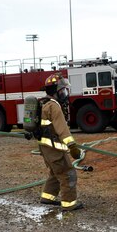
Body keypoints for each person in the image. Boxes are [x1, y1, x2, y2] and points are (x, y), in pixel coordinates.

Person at [37, 73, 83, 211]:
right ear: (56, 92)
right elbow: (62, 128)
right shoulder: (54, 106)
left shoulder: (42, 103)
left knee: (55, 172)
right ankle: (69, 203)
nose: (64, 93)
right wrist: (72, 146)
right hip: (54, 147)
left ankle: (47, 197)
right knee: (67, 173)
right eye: (62, 90)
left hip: (45, 147)